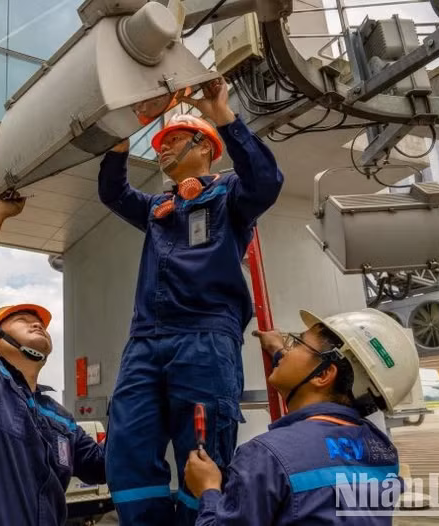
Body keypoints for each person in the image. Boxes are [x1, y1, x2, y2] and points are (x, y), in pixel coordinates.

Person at [99, 78, 284, 526]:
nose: (162, 150)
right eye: (161, 143)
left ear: (205, 147)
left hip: (205, 337)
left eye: (175, 140)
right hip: (145, 341)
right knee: (127, 447)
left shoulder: (229, 198)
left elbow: (266, 181)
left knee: (202, 455)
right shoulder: (157, 208)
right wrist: (122, 134)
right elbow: (113, 193)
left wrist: (221, 110)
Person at [0, 191, 106, 526]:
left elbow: (102, 465)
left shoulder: (61, 418)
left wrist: (141, 401)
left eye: (39, 321)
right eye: (21, 320)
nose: (36, 322)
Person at [184, 308, 420, 525]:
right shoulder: (382, 450)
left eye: (296, 343)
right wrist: (278, 352)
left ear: (325, 374)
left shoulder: (265, 456)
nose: (286, 349)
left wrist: (208, 490)